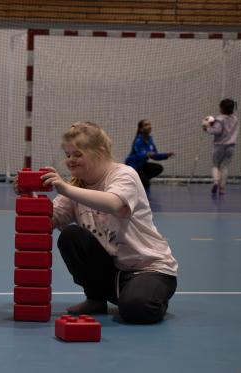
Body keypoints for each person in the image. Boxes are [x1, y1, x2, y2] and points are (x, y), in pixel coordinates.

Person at [16, 122, 178, 324]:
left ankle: (152, 296)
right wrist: (28, 196)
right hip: (114, 270)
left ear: (99, 152)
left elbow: (113, 203)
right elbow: (46, 224)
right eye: (67, 155)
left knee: (136, 310)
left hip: (150, 268)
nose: (70, 161)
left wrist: (64, 188)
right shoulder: (76, 186)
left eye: (77, 154)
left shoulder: (124, 174)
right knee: (71, 236)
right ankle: (96, 298)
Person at [125, 119, 174, 196]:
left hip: (142, 165)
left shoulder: (150, 140)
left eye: (150, 124)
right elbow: (138, 155)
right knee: (146, 183)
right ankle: (139, 184)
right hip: (134, 166)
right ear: (141, 129)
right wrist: (146, 154)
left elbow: (155, 155)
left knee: (158, 168)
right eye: (146, 125)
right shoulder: (138, 141)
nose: (149, 126)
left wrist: (166, 155)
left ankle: (140, 180)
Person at [202, 98, 239, 195]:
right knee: (225, 167)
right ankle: (222, 188)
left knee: (215, 165)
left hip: (219, 146)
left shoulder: (219, 119)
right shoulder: (235, 118)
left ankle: (215, 182)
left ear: (222, 108)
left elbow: (217, 131)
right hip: (231, 146)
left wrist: (207, 128)